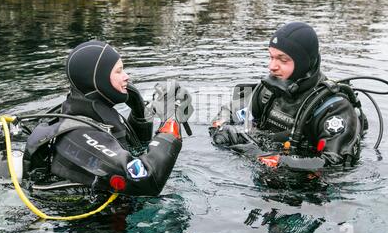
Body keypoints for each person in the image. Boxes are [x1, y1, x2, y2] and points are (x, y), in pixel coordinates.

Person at [20, 40, 194, 196]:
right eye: (118, 71)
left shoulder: (94, 115)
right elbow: (145, 181)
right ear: (97, 80)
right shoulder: (77, 136)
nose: (126, 76)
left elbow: (134, 151)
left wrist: (140, 114)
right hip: (98, 230)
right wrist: (171, 124)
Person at [209, 22, 368, 170]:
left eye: (283, 60)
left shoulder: (334, 108)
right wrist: (222, 127)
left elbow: (335, 163)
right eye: (271, 57)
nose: (271, 66)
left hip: (309, 190)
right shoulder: (268, 90)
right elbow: (231, 110)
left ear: (303, 64)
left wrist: (278, 161)